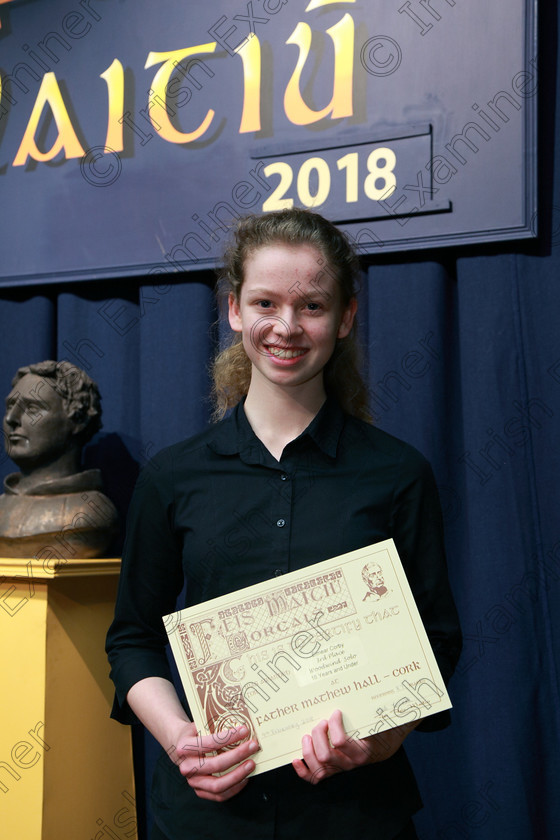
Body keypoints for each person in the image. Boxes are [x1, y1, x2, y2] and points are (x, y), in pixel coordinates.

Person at [106, 208, 462, 840]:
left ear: (346, 317)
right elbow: (132, 638)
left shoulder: (397, 474)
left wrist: (376, 742)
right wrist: (179, 738)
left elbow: (436, 641)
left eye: (313, 306)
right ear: (235, 309)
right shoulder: (172, 477)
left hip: (354, 815)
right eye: (266, 303)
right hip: (209, 817)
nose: (287, 327)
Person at [0, 360, 117, 558]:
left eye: (32, 409)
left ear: (77, 419)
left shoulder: (88, 513)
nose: (11, 418)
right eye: (10, 406)